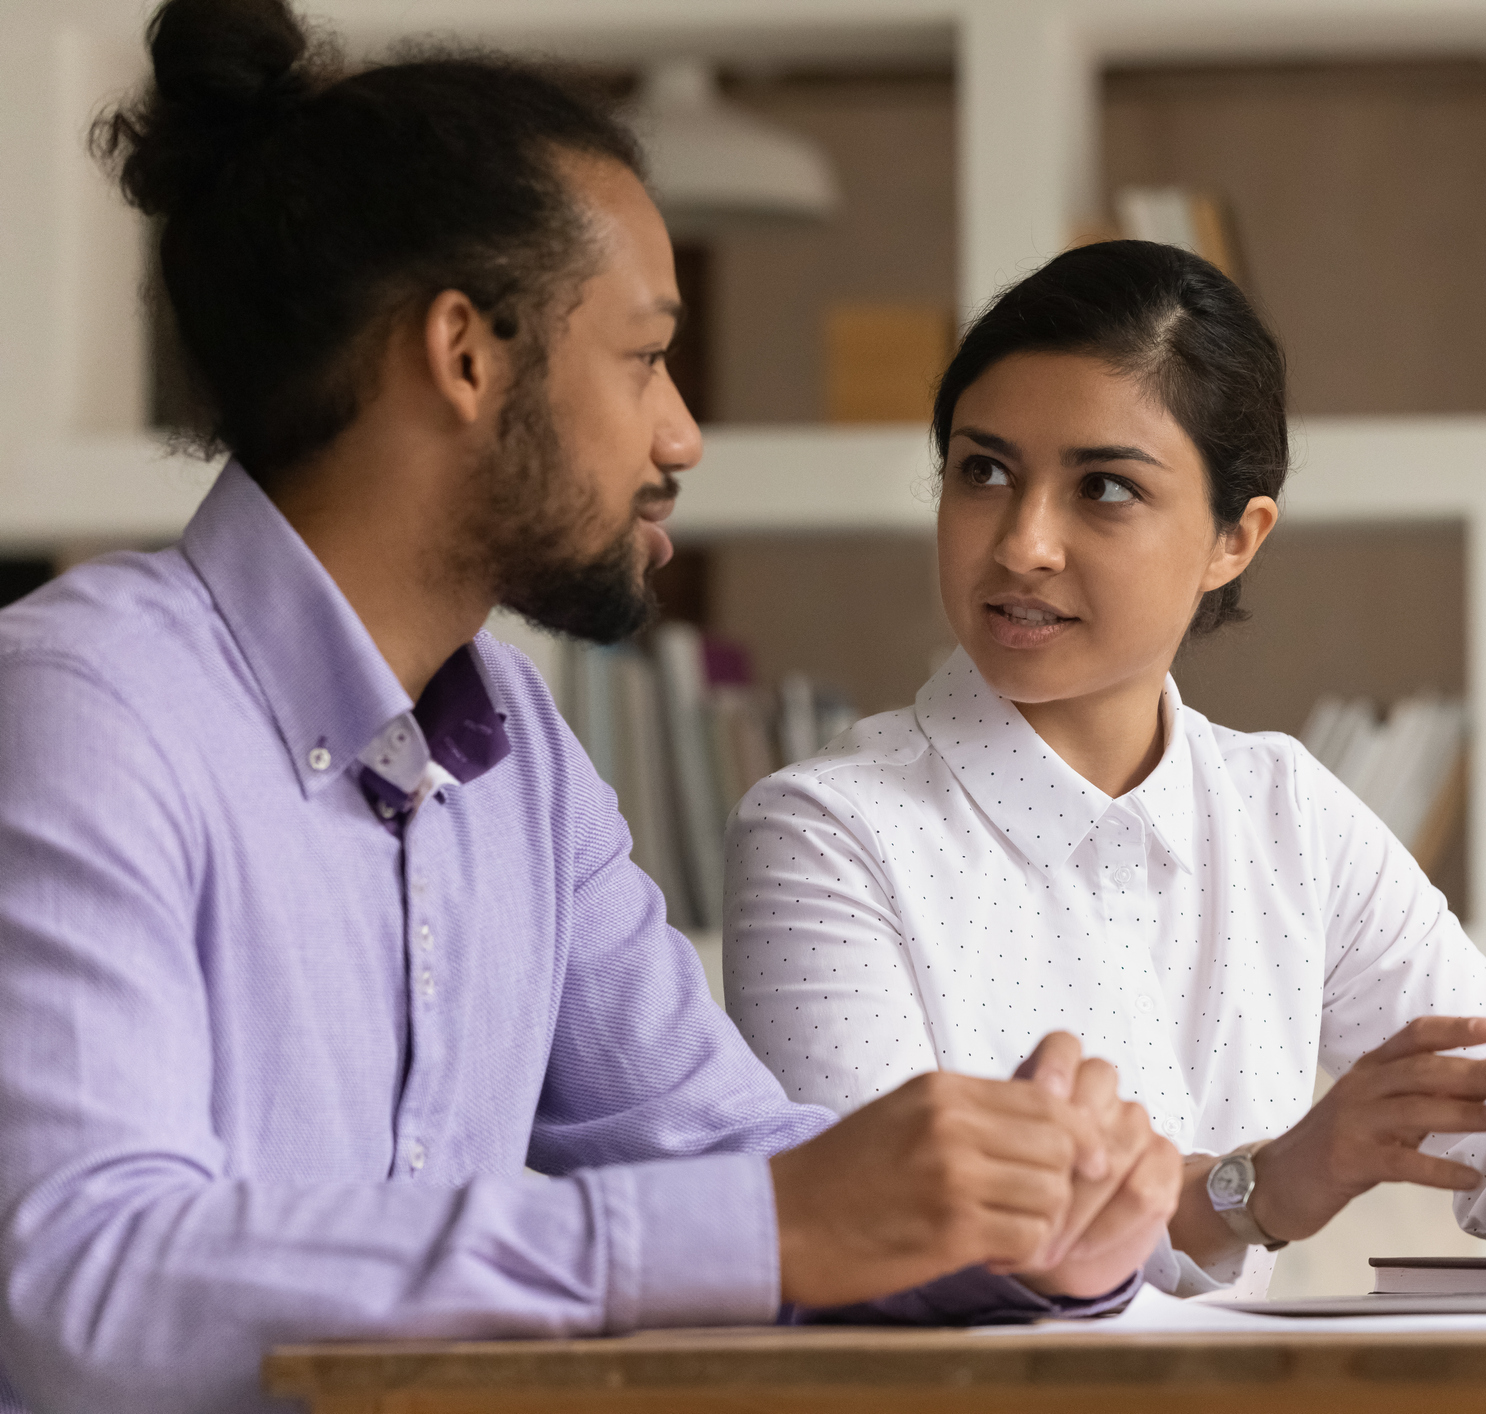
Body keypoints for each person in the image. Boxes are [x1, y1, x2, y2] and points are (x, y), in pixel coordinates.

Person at [0, 4, 1182, 1410]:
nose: (681, 434)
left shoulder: (519, 756)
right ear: (465, 354)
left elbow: (722, 1157)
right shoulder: (82, 705)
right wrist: (777, 1221)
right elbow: (83, 1282)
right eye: (643, 358)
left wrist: (1022, 1229)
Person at [724, 240, 1486, 1297]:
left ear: (1233, 541)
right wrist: (1253, 1187)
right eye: (984, 471)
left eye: (1102, 487)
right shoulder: (826, 831)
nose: (1023, 544)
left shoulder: (1286, 811)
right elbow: (881, 1244)